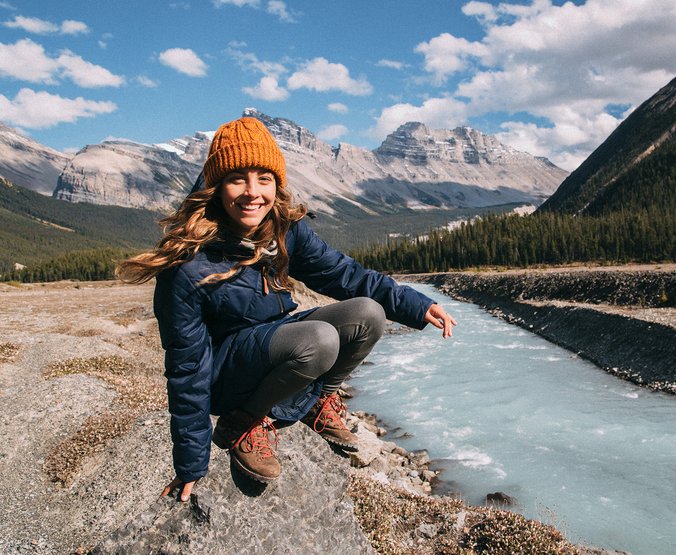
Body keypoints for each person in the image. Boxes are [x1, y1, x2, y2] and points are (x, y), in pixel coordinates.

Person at [117, 117, 456, 502]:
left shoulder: (282, 230)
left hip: (274, 346)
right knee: (320, 339)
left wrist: (415, 304)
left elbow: (345, 274)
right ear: (216, 187)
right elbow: (187, 369)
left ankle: (315, 402)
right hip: (226, 378)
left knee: (368, 314)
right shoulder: (188, 266)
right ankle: (244, 422)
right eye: (236, 178)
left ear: (277, 184)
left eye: (264, 178)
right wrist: (191, 464)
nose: (252, 192)